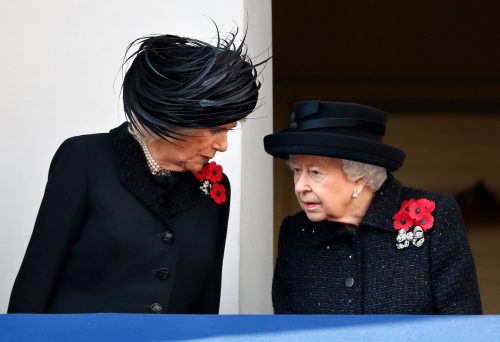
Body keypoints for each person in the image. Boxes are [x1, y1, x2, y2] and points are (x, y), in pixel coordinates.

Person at [8, 28, 265, 314]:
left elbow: (205, 302)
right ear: (176, 115)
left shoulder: (216, 190)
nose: (223, 145)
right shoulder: (85, 159)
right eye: (215, 129)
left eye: (229, 130)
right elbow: (35, 281)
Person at [263, 100, 482, 314]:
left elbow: (462, 326)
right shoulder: (296, 232)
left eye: (315, 172)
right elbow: (288, 330)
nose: (300, 186)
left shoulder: (436, 217)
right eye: (297, 171)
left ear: (359, 177)